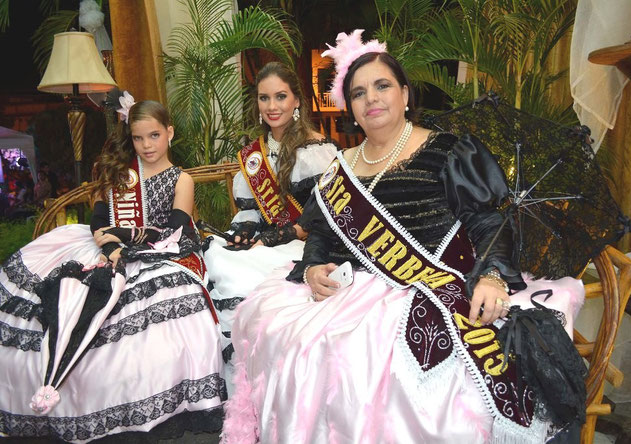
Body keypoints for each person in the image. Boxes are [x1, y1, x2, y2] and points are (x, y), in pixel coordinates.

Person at [221, 31, 585, 444]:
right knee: (280, 333)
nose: (371, 99)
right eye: (358, 93)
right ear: (350, 107)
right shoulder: (340, 166)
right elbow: (320, 231)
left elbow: (488, 222)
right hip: (350, 286)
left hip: (424, 284)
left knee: (373, 364)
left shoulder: (447, 150)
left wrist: (493, 276)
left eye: (382, 86)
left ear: (405, 94)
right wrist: (312, 267)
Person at [0, 99, 225, 442]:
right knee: (65, 292)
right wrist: (110, 246)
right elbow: (98, 221)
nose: (147, 145)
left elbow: (175, 229)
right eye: (138, 138)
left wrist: (121, 239)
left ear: (170, 133)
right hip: (103, 248)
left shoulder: (182, 179)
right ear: (130, 139)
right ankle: (55, 379)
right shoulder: (119, 176)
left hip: (160, 251)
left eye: (154, 135)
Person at [203, 61, 337, 384]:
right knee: (218, 255)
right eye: (264, 98)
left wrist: (272, 238)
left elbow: (318, 217)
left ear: (296, 101)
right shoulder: (254, 155)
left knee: (240, 273)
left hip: (305, 243)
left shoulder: (317, 149)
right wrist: (244, 232)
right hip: (269, 238)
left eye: (280, 97)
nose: (272, 106)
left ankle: (262, 378)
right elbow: (250, 211)